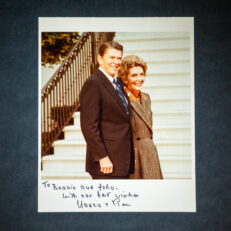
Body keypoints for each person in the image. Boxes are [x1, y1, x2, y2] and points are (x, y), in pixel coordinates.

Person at [80, 41, 134, 179]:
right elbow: (89, 126)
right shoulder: (94, 83)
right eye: (111, 57)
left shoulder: (118, 83)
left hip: (122, 161)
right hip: (106, 164)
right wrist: (102, 157)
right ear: (100, 59)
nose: (116, 62)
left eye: (119, 58)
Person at [117, 55, 163, 179]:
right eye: (134, 75)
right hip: (134, 157)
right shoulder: (121, 100)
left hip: (150, 152)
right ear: (124, 78)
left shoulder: (146, 97)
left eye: (141, 74)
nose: (139, 79)